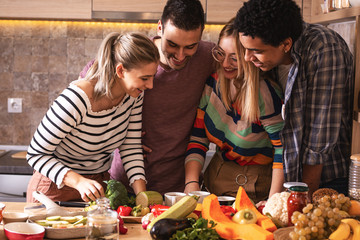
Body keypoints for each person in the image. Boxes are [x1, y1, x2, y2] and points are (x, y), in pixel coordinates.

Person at [79, 0, 215, 195]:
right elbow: (85, 98)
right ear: (160, 27)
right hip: (125, 184)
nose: (180, 55)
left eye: (190, 47)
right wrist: (120, 135)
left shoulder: (209, 56)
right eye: (172, 44)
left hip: (177, 190)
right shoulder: (134, 58)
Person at [234, 0, 354, 197]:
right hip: (287, 179)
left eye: (257, 51)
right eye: (245, 49)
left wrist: (303, 202)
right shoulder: (269, 55)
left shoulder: (323, 48)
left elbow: (319, 138)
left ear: (286, 44)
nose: (247, 57)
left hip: (325, 180)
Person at [26, 32, 160, 202]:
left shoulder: (133, 95)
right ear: (120, 70)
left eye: (152, 76)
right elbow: (35, 154)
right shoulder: (77, 99)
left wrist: (142, 197)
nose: (150, 85)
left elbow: (131, 147)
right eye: (145, 78)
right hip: (55, 187)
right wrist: (79, 182)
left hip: (97, 187)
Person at [184, 18, 284, 203]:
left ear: (249, 56)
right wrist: (191, 183)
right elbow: (198, 139)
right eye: (221, 54)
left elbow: (282, 150)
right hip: (214, 183)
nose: (225, 64)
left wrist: (273, 201)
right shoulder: (212, 85)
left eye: (234, 58)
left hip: (253, 191)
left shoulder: (265, 94)